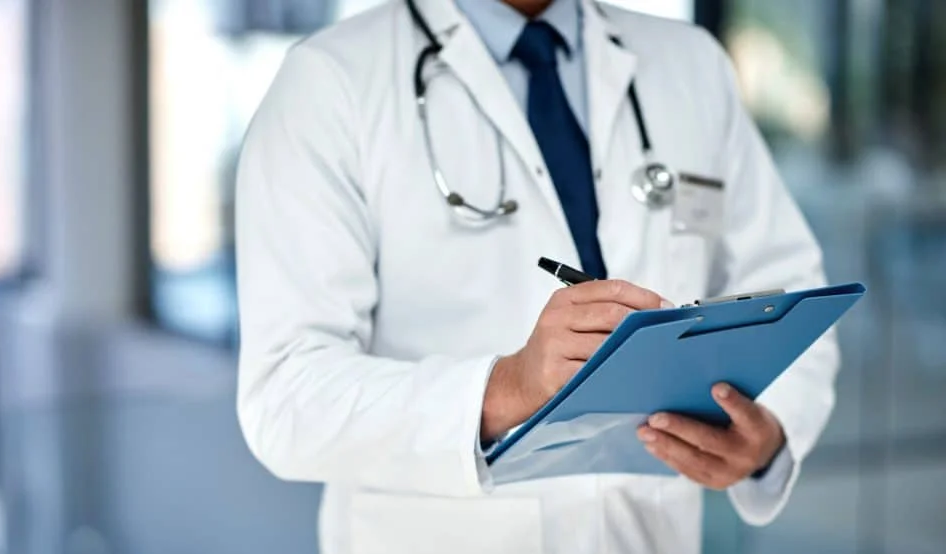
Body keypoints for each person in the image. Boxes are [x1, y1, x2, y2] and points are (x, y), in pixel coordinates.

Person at [235, 0, 839, 552]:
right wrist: (502, 388)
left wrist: (769, 433)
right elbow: (285, 396)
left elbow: (792, 289)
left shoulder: (690, 65)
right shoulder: (330, 81)